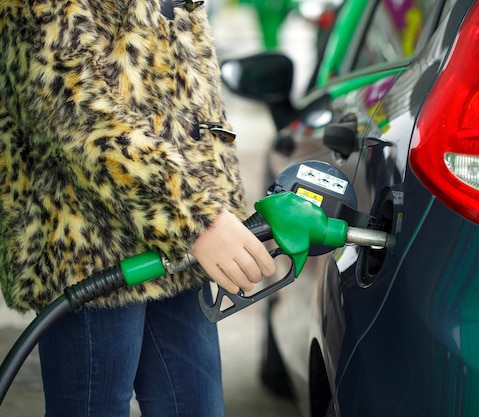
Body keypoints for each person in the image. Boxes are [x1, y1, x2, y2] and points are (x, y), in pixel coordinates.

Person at [0, 0, 276, 416]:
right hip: (88, 244)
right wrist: (197, 220)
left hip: (176, 249)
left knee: (196, 407)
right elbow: (80, 119)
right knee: (96, 407)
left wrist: (208, 213)